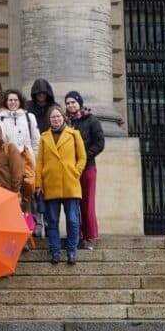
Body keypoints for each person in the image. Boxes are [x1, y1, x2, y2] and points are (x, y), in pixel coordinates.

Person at [35, 105, 87, 265]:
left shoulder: (74, 134)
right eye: (52, 117)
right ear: (49, 120)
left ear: (63, 117)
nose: (55, 119)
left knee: (72, 220)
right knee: (52, 221)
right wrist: (38, 184)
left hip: (70, 183)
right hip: (51, 184)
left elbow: (82, 157)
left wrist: (75, 172)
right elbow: (40, 162)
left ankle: (72, 251)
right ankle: (55, 252)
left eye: (58, 116)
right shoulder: (44, 137)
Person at [0, 89, 42, 235]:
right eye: (10, 100)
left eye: (15, 100)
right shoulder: (0, 118)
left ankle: (29, 230)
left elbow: (36, 142)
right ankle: (15, 230)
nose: (13, 103)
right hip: (8, 164)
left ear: (20, 101)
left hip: (27, 162)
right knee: (12, 198)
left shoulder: (29, 117)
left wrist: (34, 163)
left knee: (27, 198)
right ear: (6, 101)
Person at [65, 90, 105, 251]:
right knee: (73, 203)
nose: (71, 105)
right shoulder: (66, 122)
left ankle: (88, 236)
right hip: (70, 169)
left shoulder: (91, 120)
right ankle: (76, 235)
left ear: (79, 103)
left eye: (73, 102)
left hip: (87, 167)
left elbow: (99, 143)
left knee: (87, 203)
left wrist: (84, 156)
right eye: (68, 103)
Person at [0, 118, 24, 197]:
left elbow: (17, 174)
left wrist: (15, 192)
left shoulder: (10, 148)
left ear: (2, 131)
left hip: (9, 194)